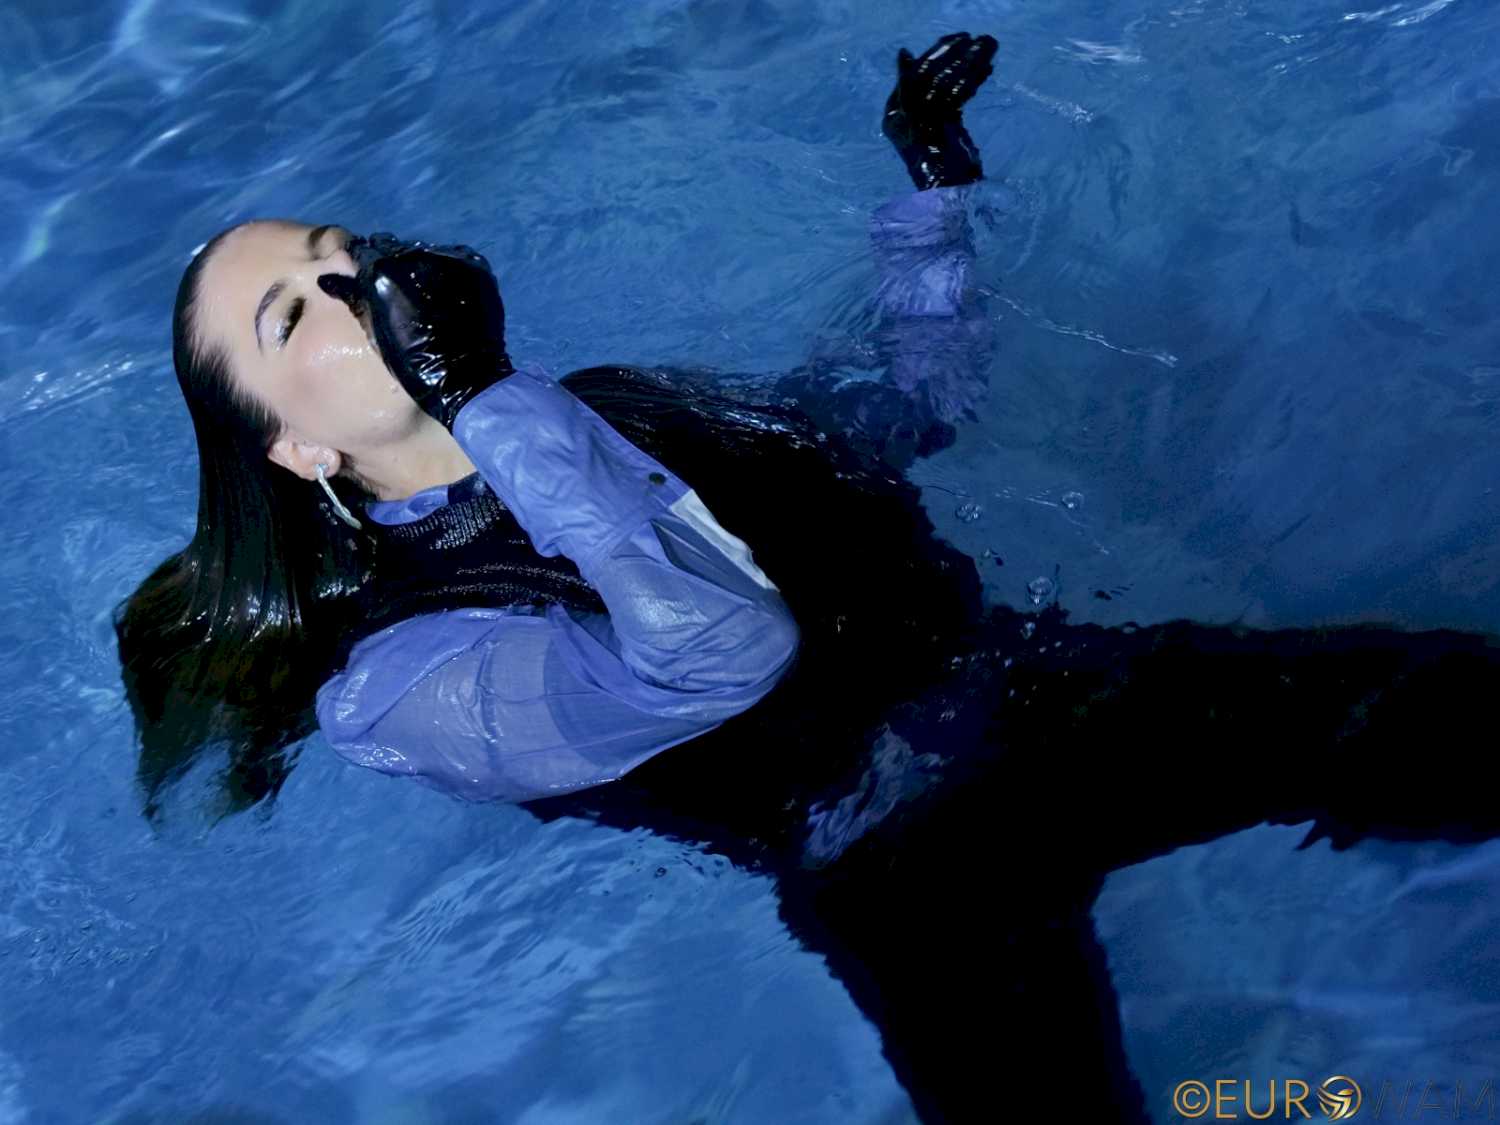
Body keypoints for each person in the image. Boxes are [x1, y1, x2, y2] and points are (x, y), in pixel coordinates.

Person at [114, 30, 1500, 1124]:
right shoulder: (398, 682)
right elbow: (718, 653)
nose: (350, 284)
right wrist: (480, 396)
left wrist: (931, 196)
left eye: (339, 252)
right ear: (295, 449)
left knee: (1455, 710)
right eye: (293, 313)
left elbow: (900, 416)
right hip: (912, 873)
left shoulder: (604, 403)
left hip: (1043, 695)